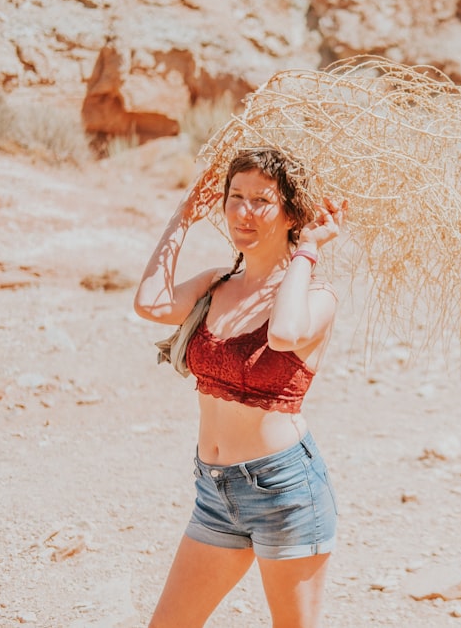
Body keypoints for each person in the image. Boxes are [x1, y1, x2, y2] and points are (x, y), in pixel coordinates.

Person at [133, 147, 348, 628]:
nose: (243, 212)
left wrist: (309, 248)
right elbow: (150, 304)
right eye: (235, 197)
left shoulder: (318, 297)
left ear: (292, 212)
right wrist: (183, 216)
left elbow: (284, 334)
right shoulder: (216, 283)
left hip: (284, 491)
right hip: (214, 489)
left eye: (262, 201)